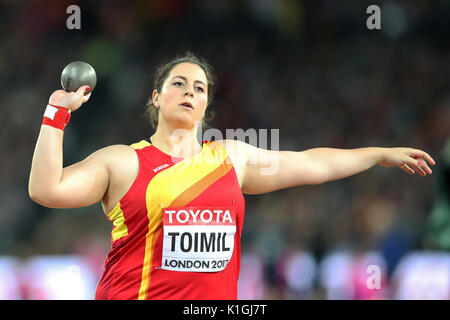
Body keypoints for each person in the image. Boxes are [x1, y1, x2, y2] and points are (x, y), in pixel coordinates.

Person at [28, 52, 436, 300]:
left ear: (206, 105)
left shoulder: (232, 159)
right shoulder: (122, 162)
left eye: (200, 88)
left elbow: (312, 164)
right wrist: (56, 113)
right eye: (179, 83)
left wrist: (376, 153)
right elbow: (47, 190)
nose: (190, 91)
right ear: (156, 97)